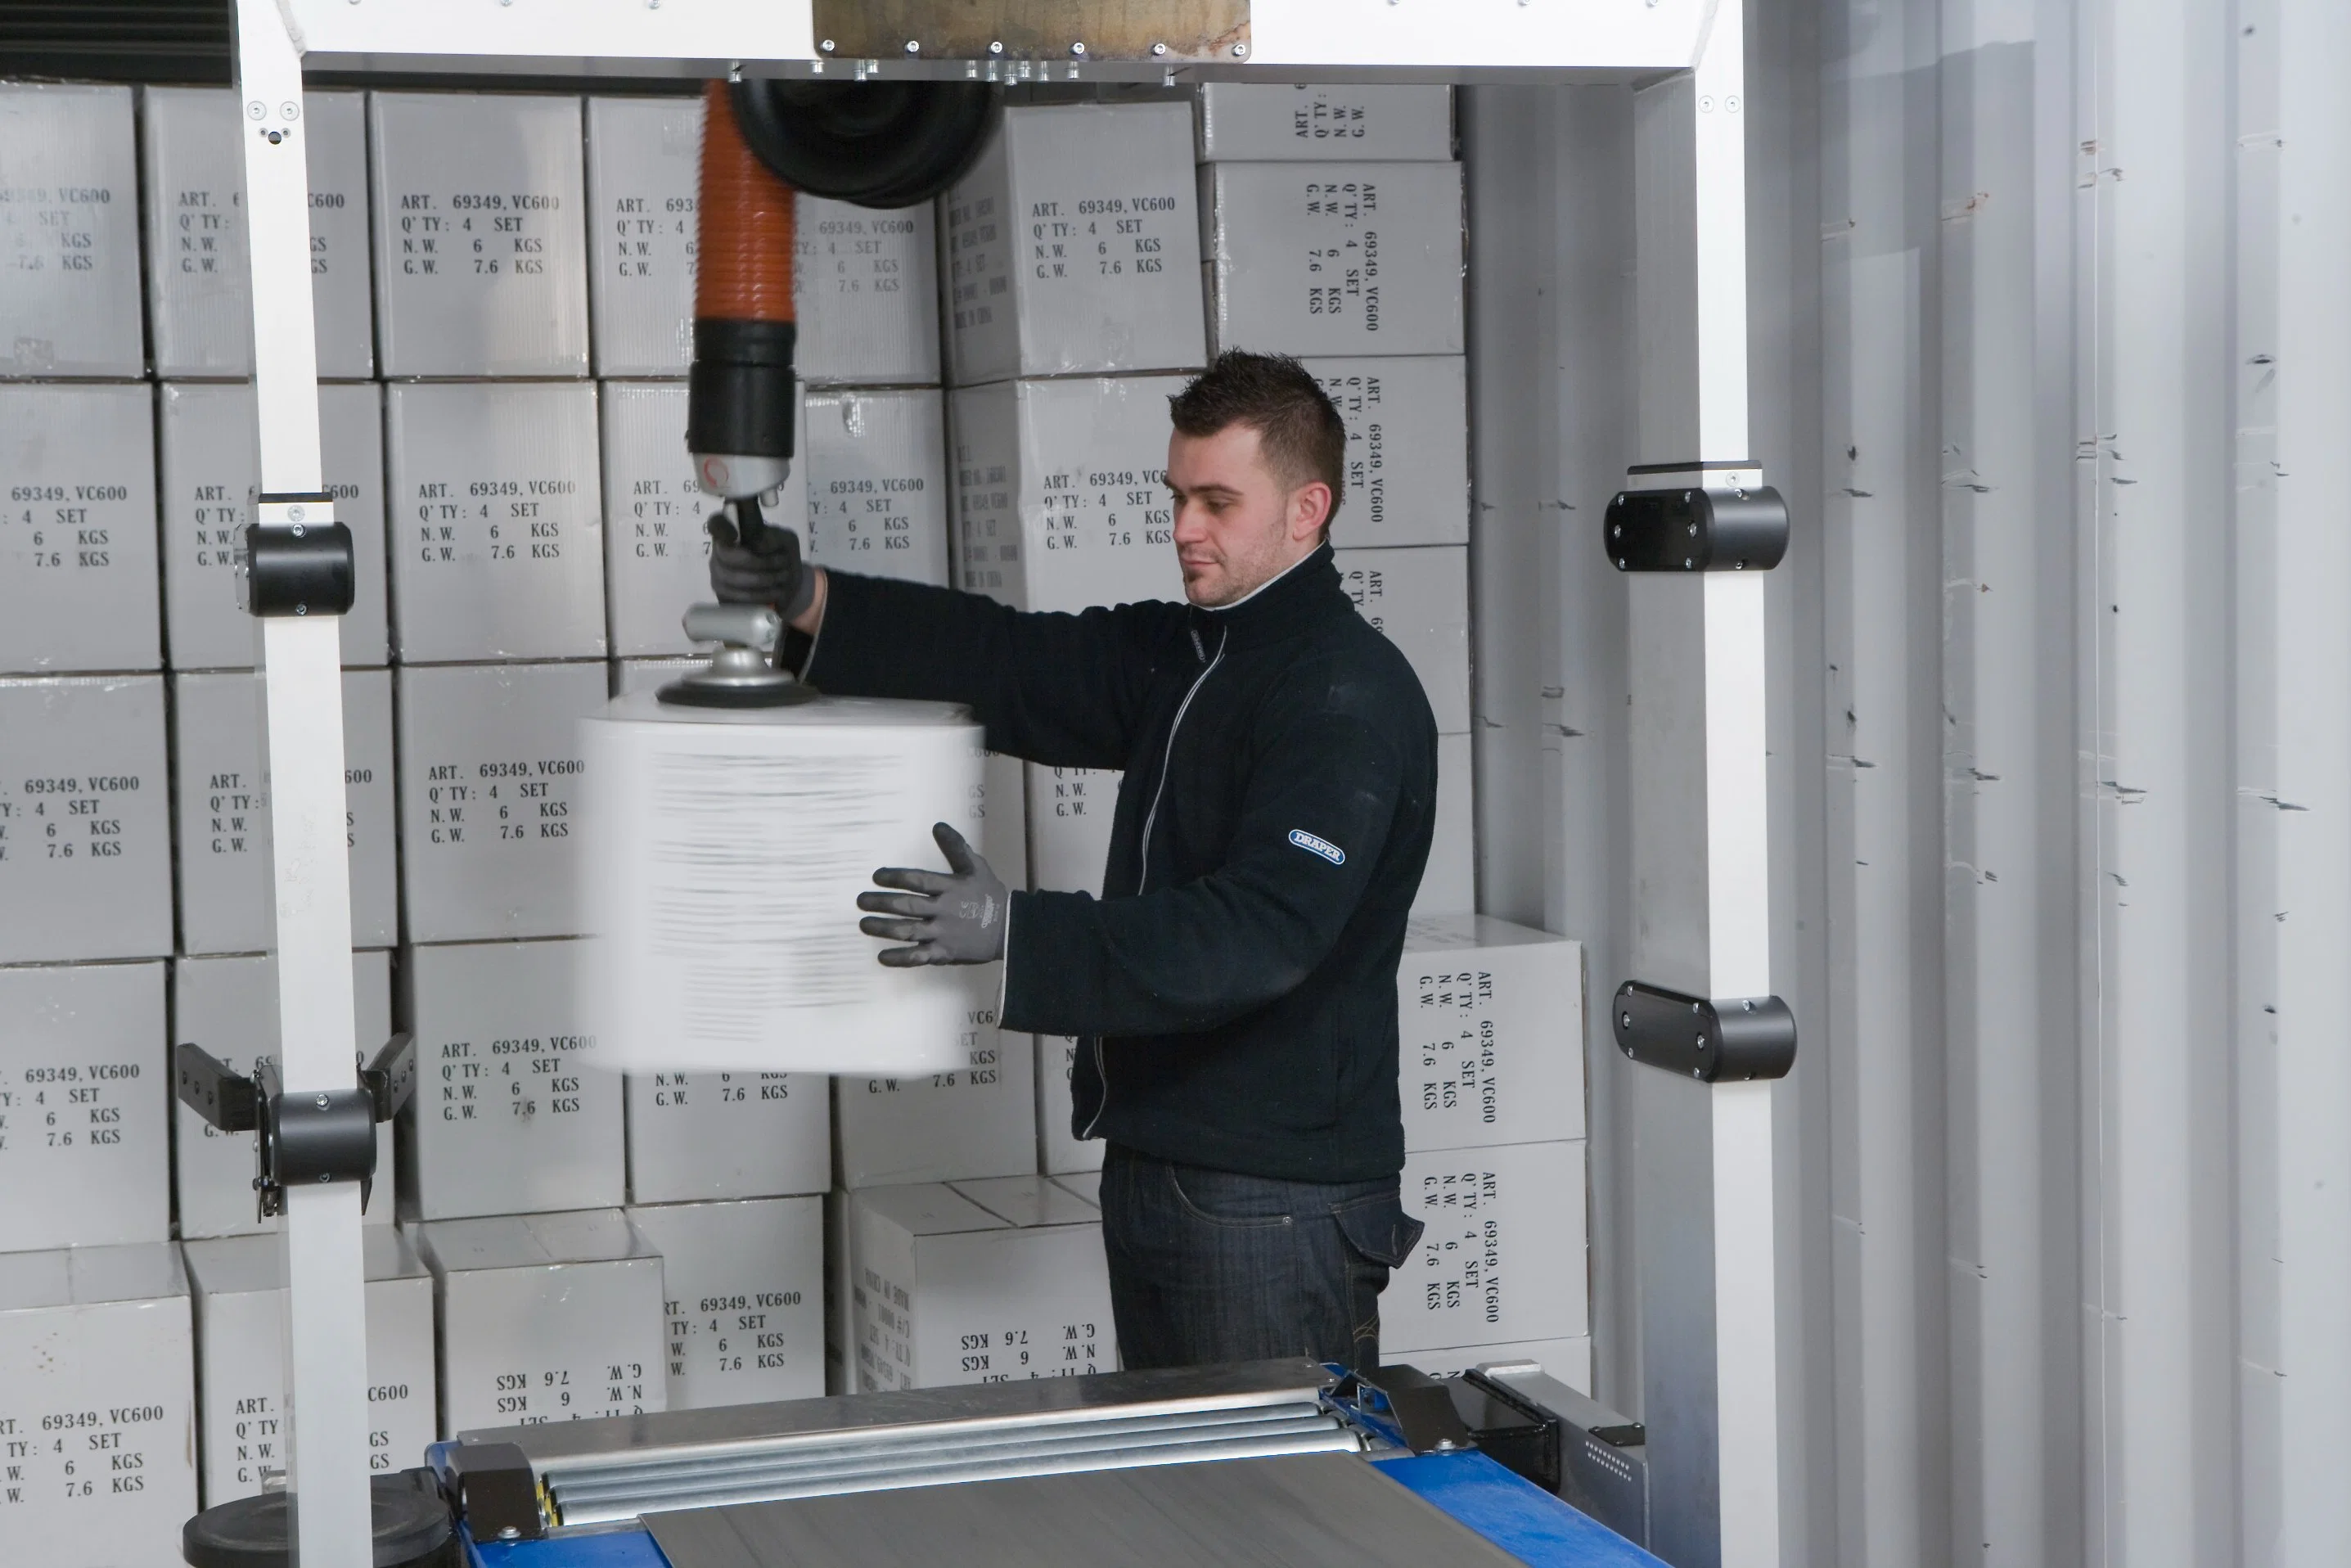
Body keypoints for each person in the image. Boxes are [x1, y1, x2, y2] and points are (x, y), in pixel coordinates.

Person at [707, 349, 1439, 1372]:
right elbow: (1008, 659)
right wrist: (810, 599)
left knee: (1279, 1522)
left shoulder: (1343, 697)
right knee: (1191, 1521)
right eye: (1177, 496)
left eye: (1218, 501)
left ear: (1306, 508)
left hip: (1272, 1201)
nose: (1183, 527)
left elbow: (1256, 933)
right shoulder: (1193, 652)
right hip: (1165, 1162)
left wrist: (1018, 931)